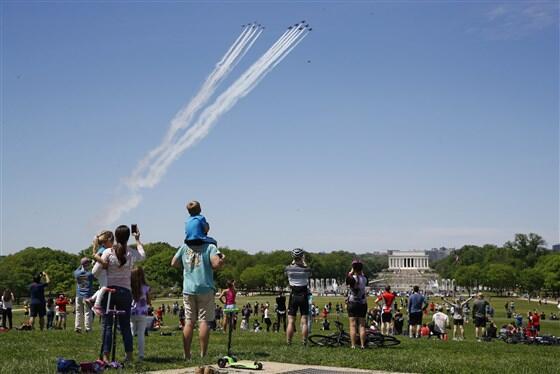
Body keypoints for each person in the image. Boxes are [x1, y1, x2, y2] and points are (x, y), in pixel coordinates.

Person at [171, 227, 224, 360]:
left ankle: (187, 354)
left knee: (189, 322)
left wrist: (186, 266)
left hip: (189, 288)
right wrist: (222, 259)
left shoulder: (184, 247)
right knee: (204, 322)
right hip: (205, 288)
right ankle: (203, 354)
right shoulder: (210, 247)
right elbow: (216, 264)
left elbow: (173, 263)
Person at [101, 225, 145, 363]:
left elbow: (99, 267)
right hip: (125, 291)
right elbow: (143, 256)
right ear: (128, 237)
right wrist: (137, 240)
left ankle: (106, 357)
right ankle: (129, 356)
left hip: (109, 291)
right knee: (125, 326)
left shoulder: (108, 252)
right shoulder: (131, 252)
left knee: (107, 325)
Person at [285, 248, 312, 346]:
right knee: (304, 321)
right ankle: (304, 341)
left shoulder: (288, 269)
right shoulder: (306, 269)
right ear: (302, 257)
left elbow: (288, 270)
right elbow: (309, 272)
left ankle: (289, 341)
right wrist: (303, 262)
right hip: (304, 294)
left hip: (293, 295)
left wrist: (293, 262)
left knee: (291, 321)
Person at [88, 230, 115, 315]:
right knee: (104, 287)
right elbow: (96, 257)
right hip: (99, 270)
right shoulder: (104, 249)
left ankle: (92, 299)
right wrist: (104, 262)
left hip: (99, 270)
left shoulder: (102, 248)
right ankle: (96, 305)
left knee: (102, 287)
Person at [345, 259, 368, 349]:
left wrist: (351, 272)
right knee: (362, 325)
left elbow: (348, 280)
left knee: (352, 325)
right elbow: (363, 276)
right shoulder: (364, 279)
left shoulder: (351, 278)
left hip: (352, 303)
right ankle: (362, 345)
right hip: (362, 303)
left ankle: (353, 345)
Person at [130, 266, 151, 361]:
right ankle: (141, 355)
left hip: (131, 313)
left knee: (131, 332)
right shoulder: (145, 287)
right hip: (142, 313)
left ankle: (128, 354)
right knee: (141, 334)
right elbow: (149, 301)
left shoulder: (129, 287)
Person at [74, 257, 95, 333]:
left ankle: (78, 327)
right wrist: (93, 265)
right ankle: (88, 328)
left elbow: (77, 269)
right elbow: (95, 272)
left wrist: (81, 264)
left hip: (78, 295)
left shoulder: (77, 273)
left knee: (78, 312)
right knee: (87, 312)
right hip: (87, 295)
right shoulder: (89, 274)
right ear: (87, 264)